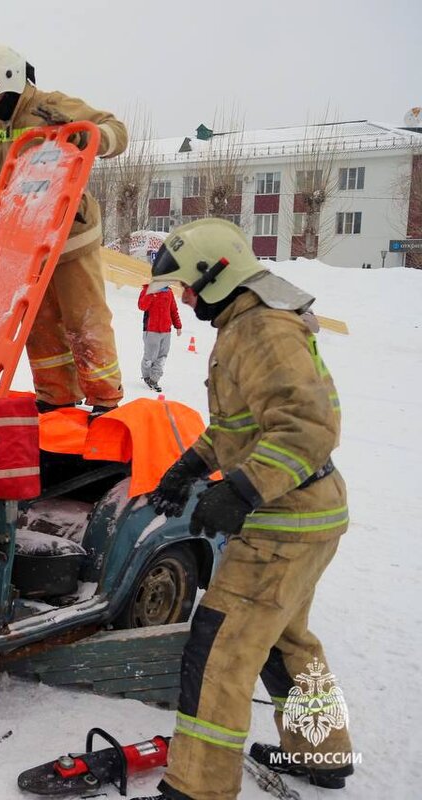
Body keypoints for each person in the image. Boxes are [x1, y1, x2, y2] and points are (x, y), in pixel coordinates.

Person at [140, 219, 353, 800]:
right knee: (287, 637)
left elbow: (308, 429)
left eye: (188, 284)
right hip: (312, 513)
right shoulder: (246, 323)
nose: (184, 297)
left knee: (220, 650)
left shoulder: (262, 330)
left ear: (218, 276)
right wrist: (192, 464)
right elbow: (244, 426)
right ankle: (321, 751)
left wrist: (243, 491)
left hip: (284, 521)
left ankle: (198, 788)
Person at [0, 37, 128, 415]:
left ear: (11, 81)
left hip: (69, 233)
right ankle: (56, 396)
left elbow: (115, 132)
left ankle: (105, 399)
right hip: (24, 236)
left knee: (83, 318)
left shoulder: (51, 105)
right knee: (37, 324)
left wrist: (81, 135)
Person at [137, 282, 182, 392]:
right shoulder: (148, 290)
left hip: (166, 331)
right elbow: (142, 306)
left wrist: (178, 325)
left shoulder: (169, 292)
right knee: (150, 358)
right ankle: (147, 376)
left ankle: (154, 380)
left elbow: (173, 310)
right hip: (151, 330)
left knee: (162, 358)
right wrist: (152, 292)